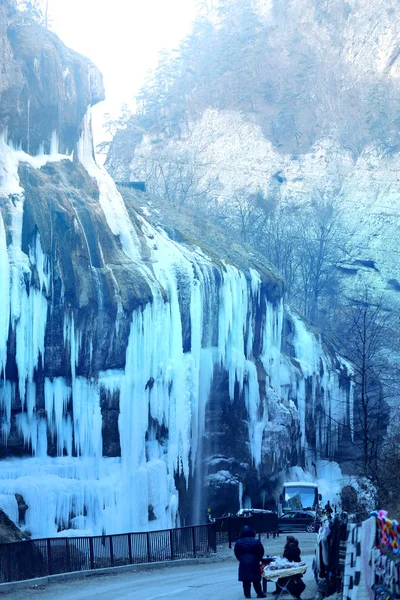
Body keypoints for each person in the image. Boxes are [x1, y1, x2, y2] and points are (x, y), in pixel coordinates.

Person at [234, 526, 267, 598]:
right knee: (256, 579)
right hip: (254, 561)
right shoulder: (256, 541)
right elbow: (261, 551)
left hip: (243, 562)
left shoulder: (238, 542)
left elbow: (236, 553)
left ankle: (247, 594)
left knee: (245, 580)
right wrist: (258, 558)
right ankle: (259, 593)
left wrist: (241, 559)